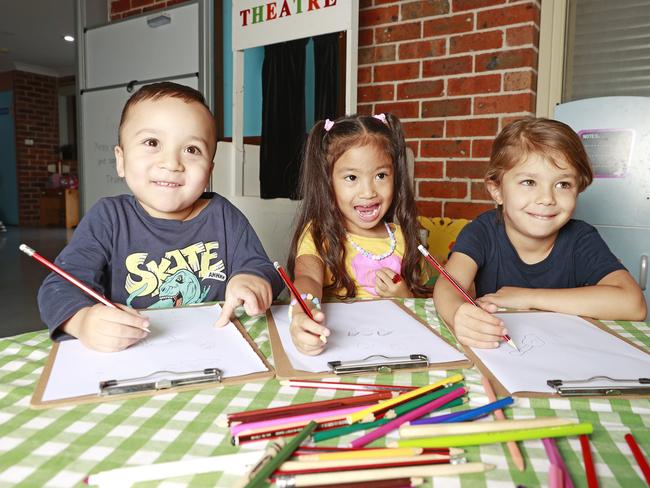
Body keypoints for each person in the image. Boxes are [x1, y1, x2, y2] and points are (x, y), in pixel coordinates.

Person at [38, 82, 283, 352]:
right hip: (131, 352)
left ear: (209, 170)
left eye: (191, 150)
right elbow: (59, 286)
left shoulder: (224, 216)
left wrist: (251, 279)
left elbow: (263, 268)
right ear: (121, 160)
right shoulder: (107, 218)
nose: (171, 163)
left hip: (212, 349)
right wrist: (82, 321)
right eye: (152, 143)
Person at [434, 117, 647, 349]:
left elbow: (633, 304)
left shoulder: (581, 238)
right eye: (528, 182)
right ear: (497, 190)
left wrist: (527, 296)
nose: (547, 198)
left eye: (563, 185)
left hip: (568, 354)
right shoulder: (481, 231)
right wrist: (458, 314)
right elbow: (448, 287)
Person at [287, 113, 430, 355]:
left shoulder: (404, 237)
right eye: (351, 178)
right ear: (328, 182)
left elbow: (424, 301)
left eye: (381, 176)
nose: (368, 192)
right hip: (340, 347)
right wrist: (304, 309)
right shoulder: (319, 232)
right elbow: (308, 279)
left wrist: (404, 296)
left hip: (396, 347)